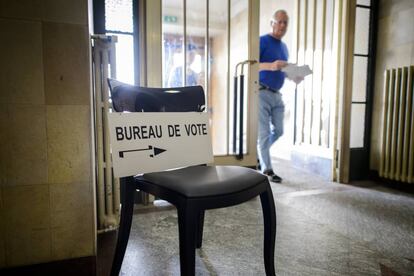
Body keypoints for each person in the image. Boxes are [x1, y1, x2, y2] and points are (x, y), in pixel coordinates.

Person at [258, 9, 302, 183]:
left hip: (277, 94)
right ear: (272, 23)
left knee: (279, 130)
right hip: (261, 92)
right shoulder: (262, 41)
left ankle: (260, 153)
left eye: (286, 22)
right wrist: (271, 65)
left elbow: (282, 71)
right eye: (280, 21)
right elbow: (252, 65)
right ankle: (267, 169)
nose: (283, 25)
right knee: (263, 133)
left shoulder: (284, 47)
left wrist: (294, 76)